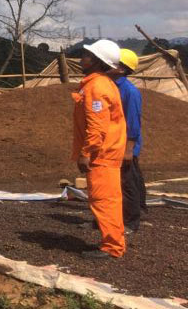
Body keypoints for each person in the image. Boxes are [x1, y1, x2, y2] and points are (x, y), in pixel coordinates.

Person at [73, 39, 127, 259]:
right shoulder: (99, 84)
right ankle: (112, 242)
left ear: (97, 61)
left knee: (104, 200)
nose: (81, 58)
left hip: (101, 154)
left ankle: (113, 246)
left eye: (86, 55)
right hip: (105, 153)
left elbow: (97, 125)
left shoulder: (97, 87)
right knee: (106, 199)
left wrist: (87, 152)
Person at [111, 48, 146, 233]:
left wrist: (129, 149)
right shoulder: (110, 87)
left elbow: (133, 122)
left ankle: (131, 222)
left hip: (125, 145)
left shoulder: (129, 91)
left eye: (113, 62)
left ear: (123, 69)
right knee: (116, 184)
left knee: (127, 183)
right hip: (113, 144)